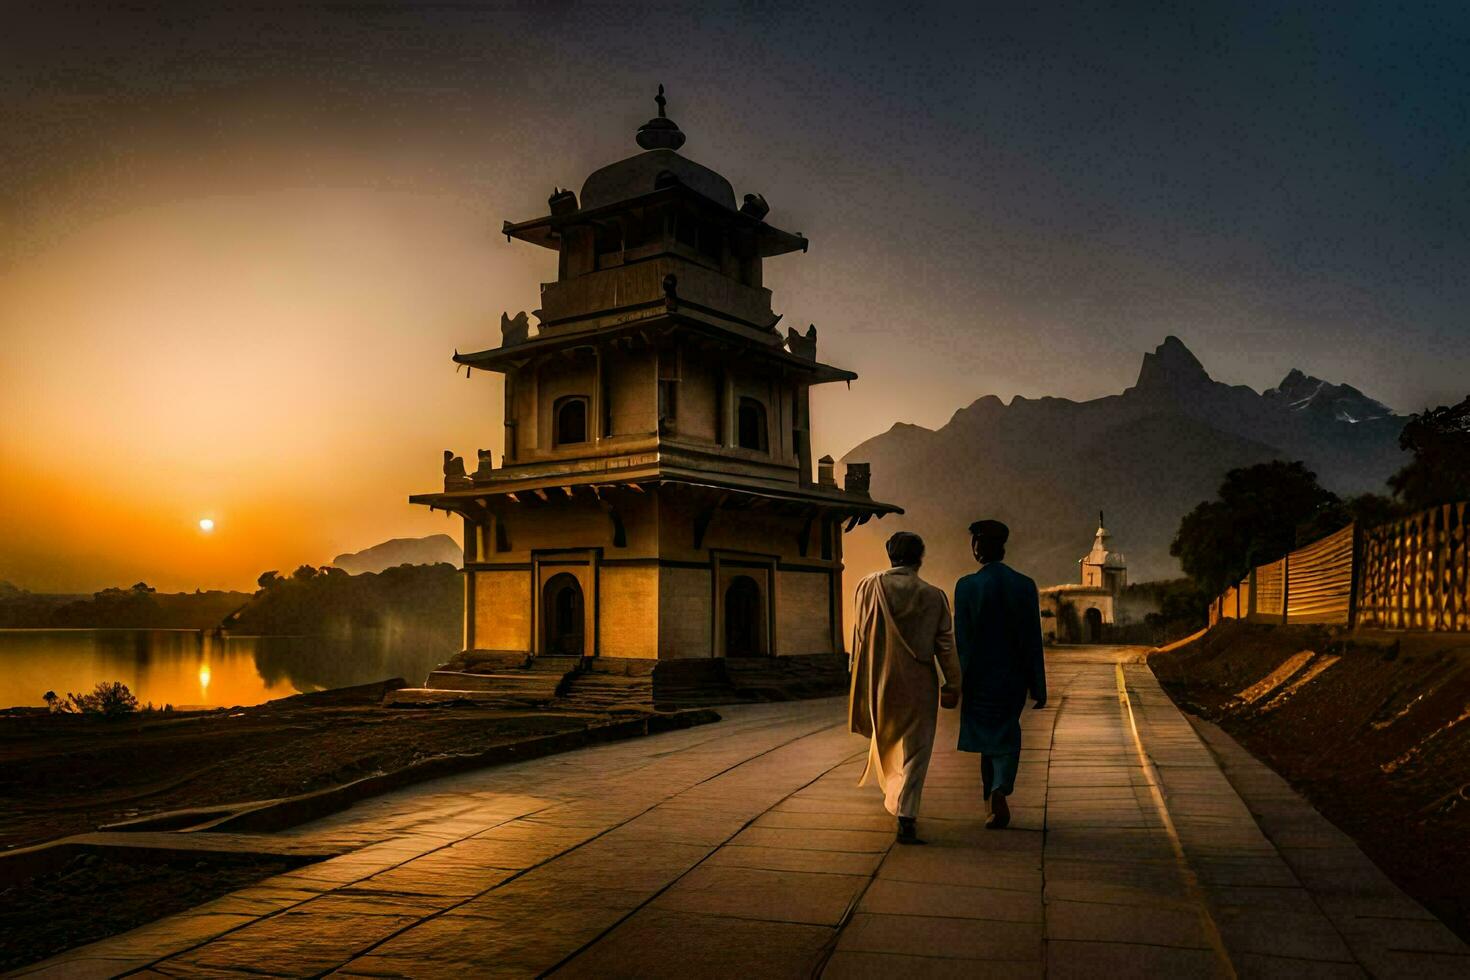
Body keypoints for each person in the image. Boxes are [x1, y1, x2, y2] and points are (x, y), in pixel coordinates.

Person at [849, 531, 963, 845]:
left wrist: (856, 679)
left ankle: (895, 798)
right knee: (917, 751)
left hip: (881, 679)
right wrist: (953, 682)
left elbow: (860, 636)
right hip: (919, 683)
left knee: (885, 744)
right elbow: (945, 645)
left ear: (889, 554)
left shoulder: (868, 586)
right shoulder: (934, 595)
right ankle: (907, 814)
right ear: (920, 557)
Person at [953, 519, 1046, 830]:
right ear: (1003, 548)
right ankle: (999, 789)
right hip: (1013, 677)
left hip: (978, 678)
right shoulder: (1024, 585)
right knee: (1006, 731)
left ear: (977, 549)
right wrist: (1038, 684)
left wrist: (956, 682)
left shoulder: (966, 587)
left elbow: (962, 640)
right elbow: (1033, 638)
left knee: (985, 738)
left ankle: (990, 801)